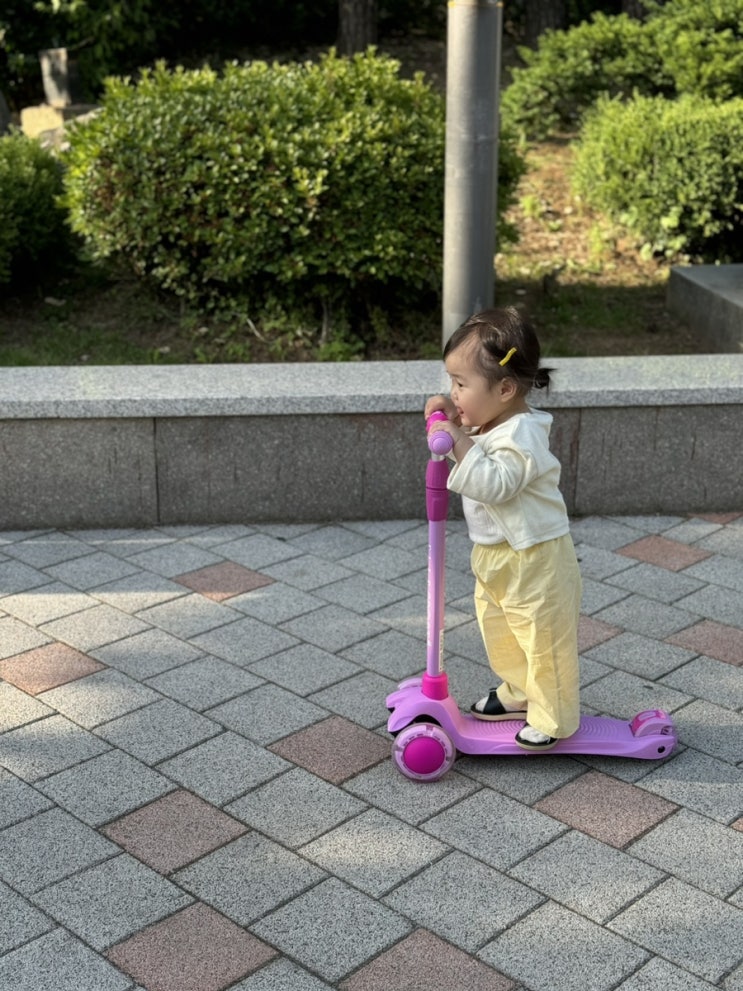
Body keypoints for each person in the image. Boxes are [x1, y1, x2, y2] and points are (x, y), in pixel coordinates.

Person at [424, 306, 581, 751]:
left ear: (506, 389)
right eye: (451, 382)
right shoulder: (487, 421)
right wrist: (452, 423)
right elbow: (469, 447)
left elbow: (495, 483)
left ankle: (553, 717)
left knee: (541, 637)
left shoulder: (523, 434)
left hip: (536, 558)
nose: (453, 393)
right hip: (496, 554)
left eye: (461, 384)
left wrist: (455, 437)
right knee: (501, 631)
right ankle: (519, 692)